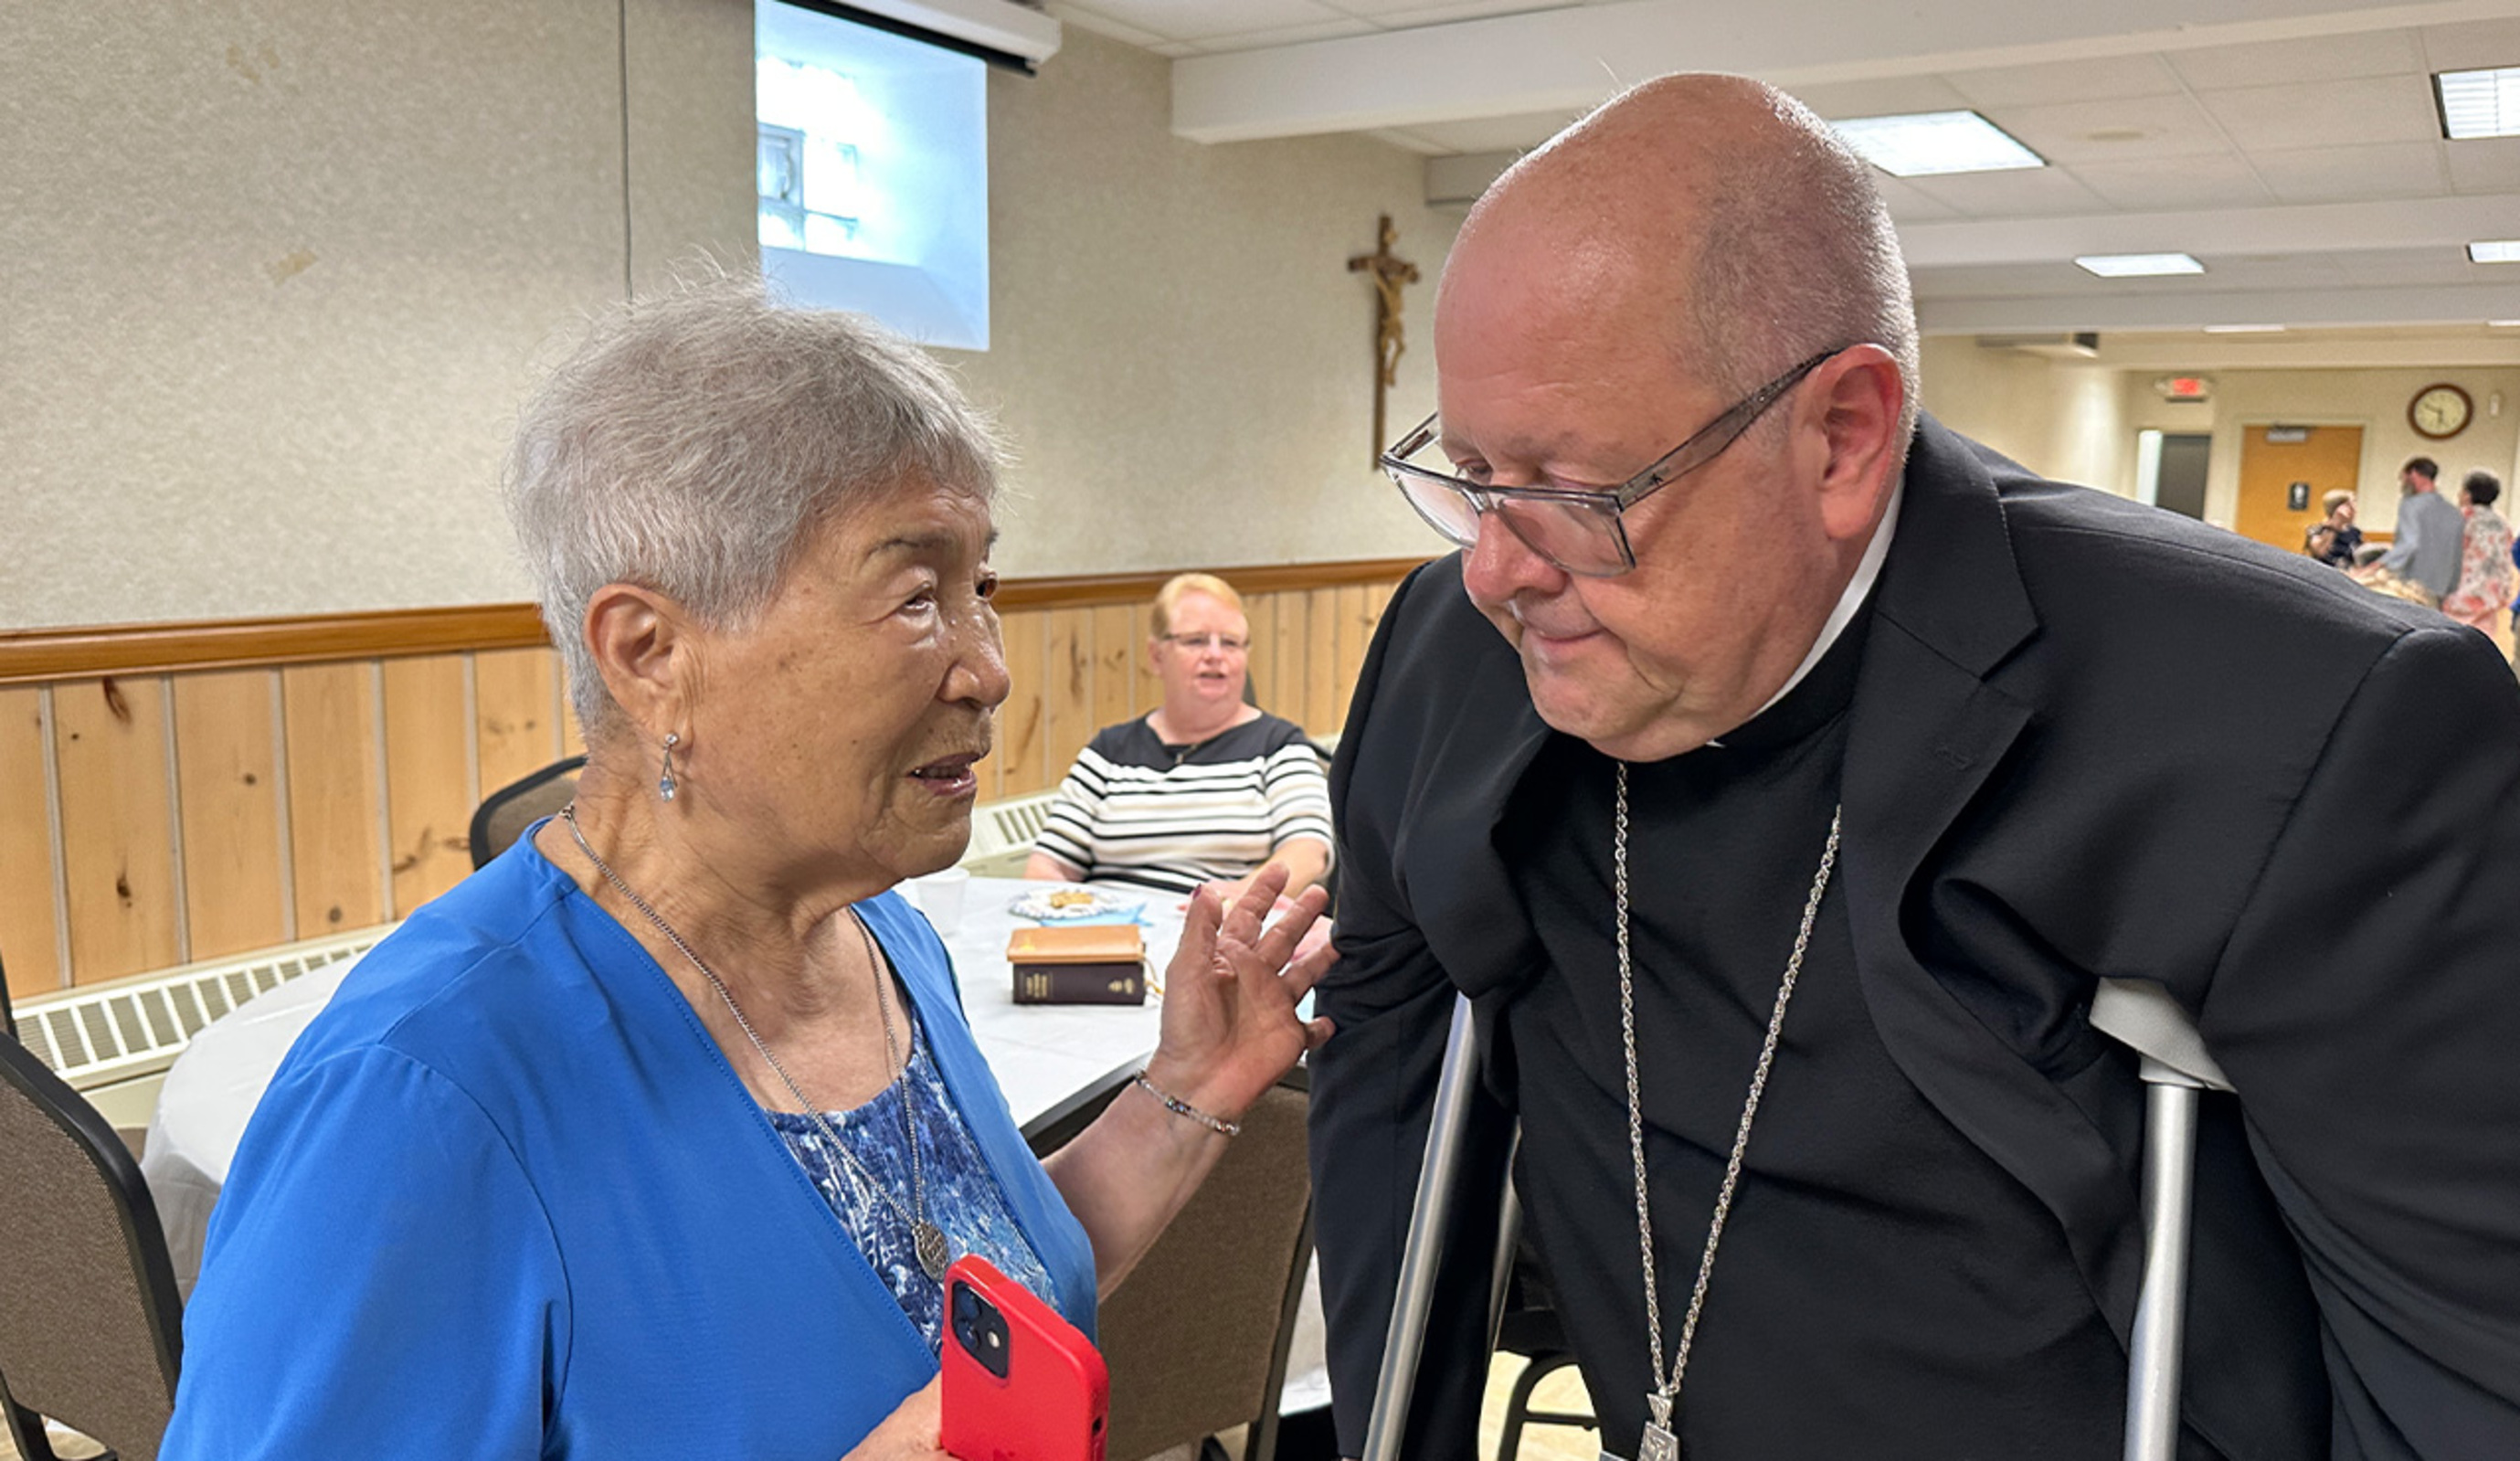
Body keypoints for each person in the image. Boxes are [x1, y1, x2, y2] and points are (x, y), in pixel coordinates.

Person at [1311, 73, 2520, 1461]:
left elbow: (2461, 1376)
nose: (1493, 571)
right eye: (1468, 472)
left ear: (1841, 436)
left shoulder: (2306, 724)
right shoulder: (1451, 653)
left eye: (1572, 491)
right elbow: (1386, 1074)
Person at [160, 282, 1336, 1460]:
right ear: (652, 655)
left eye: (981, 588)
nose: (988, 669)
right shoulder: (419, 1100)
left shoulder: (880, 938)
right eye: (915, 598)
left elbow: (979, 1301)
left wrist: (1190, 1088)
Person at [1024, 573, 1332, 898]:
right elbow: (1048, 865)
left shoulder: (1279, 745)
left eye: (1230, 643)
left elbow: (1308, 851)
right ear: (1157, 656)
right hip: (1107, 923)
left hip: (1223, 921)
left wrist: (1241, 900)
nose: (1215, 655)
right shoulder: (1110, 750)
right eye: (1196, 641)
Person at [2371, 455, 2463, 605]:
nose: (2403, 484)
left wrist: (2377, 566)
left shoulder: (2411, 506)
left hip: (2412, 590)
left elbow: (2408, 544)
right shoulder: (2454, 513)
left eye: (2403, 479)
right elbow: (2457, 558)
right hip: (2441, 592)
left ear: (2413, 474)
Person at [2441, 470, 2516, 638]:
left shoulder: (2458, 519)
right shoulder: (2502, 523)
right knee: (2481, 642)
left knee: (2450, 642)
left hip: (2457, 598)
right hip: (2490, 598)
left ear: (2467, 495)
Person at [2304, 488, 2361, 567]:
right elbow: (2321, 553)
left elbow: (2359, 558)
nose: (2355, 511)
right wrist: (2336, 524)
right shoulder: (2317, 531)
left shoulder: (2354, 532)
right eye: (2350, 506)